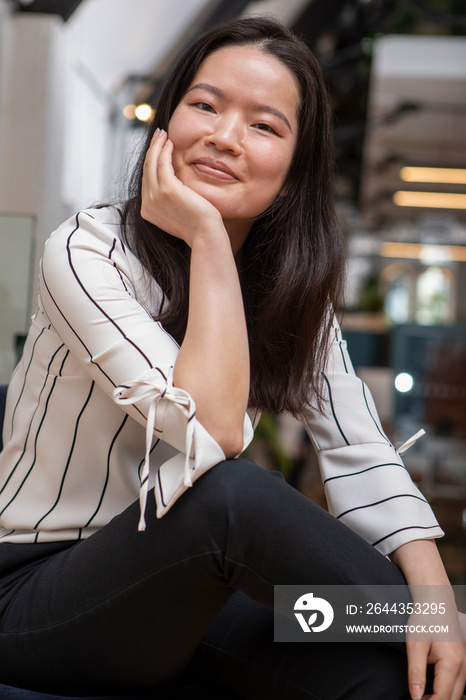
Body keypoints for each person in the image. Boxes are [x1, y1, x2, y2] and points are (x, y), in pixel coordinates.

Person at [0, 15, 464, 700]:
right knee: (233, 498)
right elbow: (209, 435)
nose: (223, 136)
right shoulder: (86, 250)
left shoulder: (294, 294)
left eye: (264, 125)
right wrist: (208, 240)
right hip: (39, 596)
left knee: (386, 669)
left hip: (181, 596)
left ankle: (433, 625)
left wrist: (434, 591)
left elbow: (362, 451)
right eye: (205, 106)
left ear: (296, 166)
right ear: (166, 122)